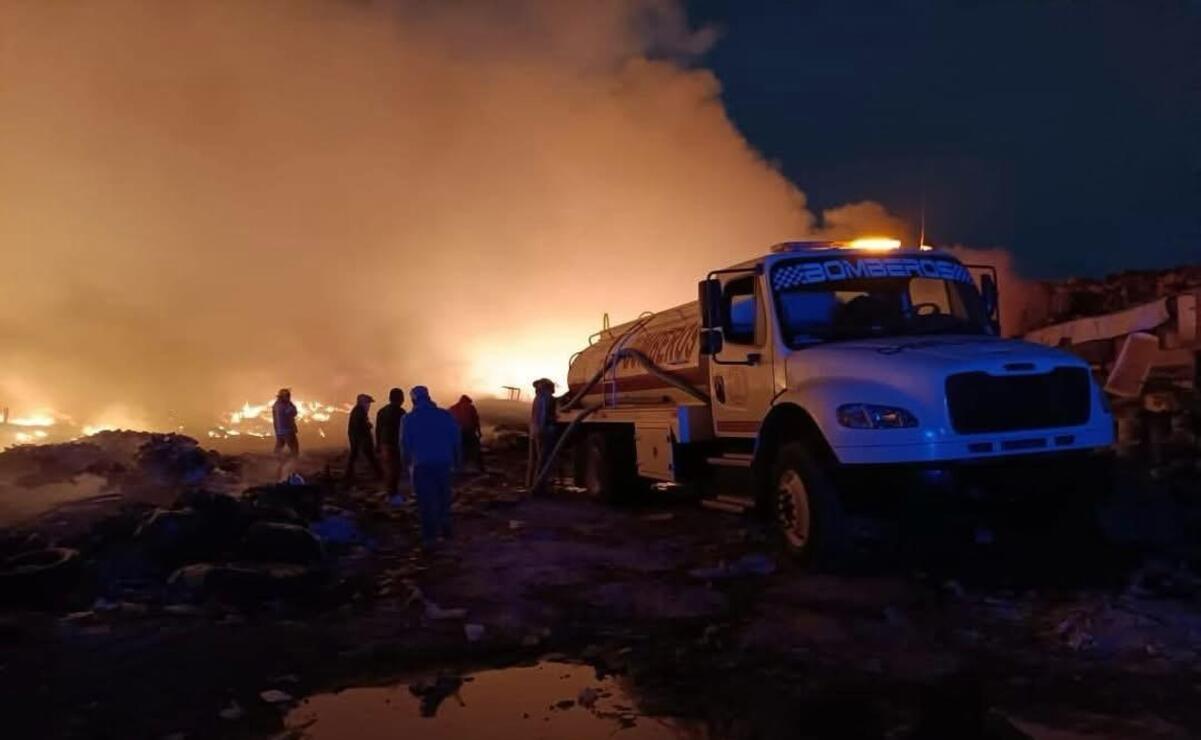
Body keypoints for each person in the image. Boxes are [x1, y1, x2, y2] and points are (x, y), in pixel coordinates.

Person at [401, 386, 461, 546]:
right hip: (444, 463)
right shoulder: (445, 415)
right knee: (444, 497)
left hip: (422, 465)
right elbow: (456, 440)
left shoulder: (409, 419)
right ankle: (445, 527)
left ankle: (430, 537)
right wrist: (457, 462)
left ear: (413, 400)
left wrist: (405, 465)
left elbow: (405, 445)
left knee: (426, 502)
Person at [526, 378, 558, 494]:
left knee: (535, 459)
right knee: (542, 459)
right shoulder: (546, 398)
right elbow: (544, 415)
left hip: (535, 431)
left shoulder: (538, 397)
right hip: (543, 431)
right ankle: (539, 487)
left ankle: (531, 484)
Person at [376, 387, 407, 501]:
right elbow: (404, 431)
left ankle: (390, 493)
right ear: (400, 399)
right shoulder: (401, 413)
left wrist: (378, 445)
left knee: (388, 469)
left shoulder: (382, 411)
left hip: (385, 444)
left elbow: (378, 430)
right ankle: (392, 494)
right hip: (395, 445)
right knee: (395, 469)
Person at [345, 393, 381, 484]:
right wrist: (368, 426)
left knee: (356, 455)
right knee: (368, 455)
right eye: (368, 403)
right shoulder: (359, 411)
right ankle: (379, 474)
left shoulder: (359, 411)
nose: (369, 405)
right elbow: (359, 426)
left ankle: (348, 475)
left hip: (358, 437)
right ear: (362, 403)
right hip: (359, 437)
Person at [448, 394, 485, 473]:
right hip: (469, 432)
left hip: (458, 433)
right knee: (475, 448)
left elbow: (448, 422)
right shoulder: (471, 408)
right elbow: (476, 420)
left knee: (459, 449)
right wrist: (479, 432)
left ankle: (457, 467)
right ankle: (479, 467)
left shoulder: (452, 408)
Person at [271, 388, 299, 481]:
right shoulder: (285, 406)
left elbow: (275, 419)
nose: (289, 397)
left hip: (279, 432)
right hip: (288, 431)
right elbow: (294, 412)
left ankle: (277, 467)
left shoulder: (275, 405)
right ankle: (290, 469)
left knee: (278, 451)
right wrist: (290, 404)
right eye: (288, 396)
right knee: (295, 451)